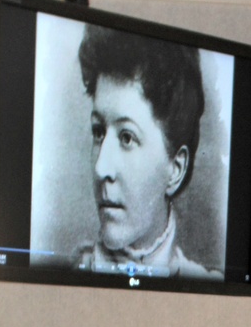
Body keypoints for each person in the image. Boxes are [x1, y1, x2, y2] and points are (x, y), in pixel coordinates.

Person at [74, 25, 220, 278]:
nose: (101, 168)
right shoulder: (65, 273)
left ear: (175, 169)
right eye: (99, 132)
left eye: (127, 137)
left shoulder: (205, 288)